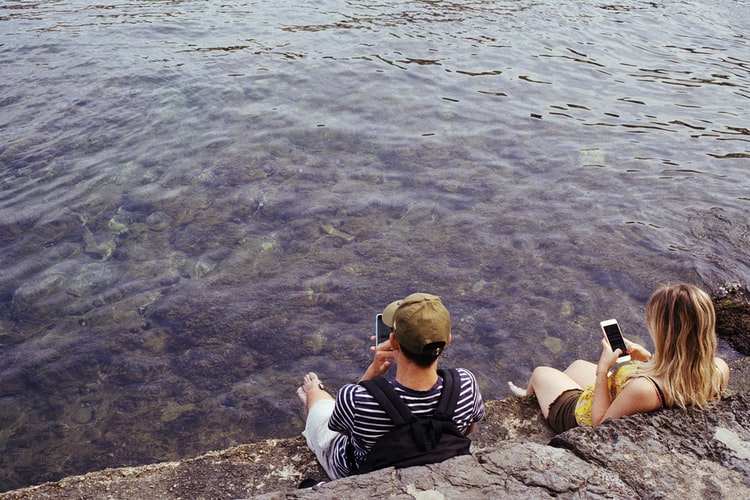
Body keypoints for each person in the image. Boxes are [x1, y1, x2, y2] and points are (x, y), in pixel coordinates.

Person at [297, 293, 485, 480]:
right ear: (448, 340)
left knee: (321, 412)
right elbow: (468, 429)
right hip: (438, 455)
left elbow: (344, 430)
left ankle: (313, 393)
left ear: (393, 341)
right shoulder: (466, 383)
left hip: (360, 472)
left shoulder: (355, 398)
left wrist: (372, 374)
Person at [508, 283, 730, 433]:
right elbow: (671, 378)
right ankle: (550, 392)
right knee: (576, 366)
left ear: (666, 332)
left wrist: (603, 371)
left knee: (540, 373)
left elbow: (599, 426)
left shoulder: (644, 390)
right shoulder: (719, 369)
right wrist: (647, 359)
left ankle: (531, 399)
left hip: (580, 417)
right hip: (621, 395)